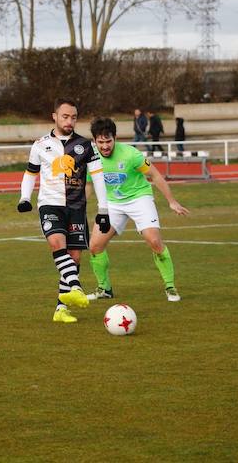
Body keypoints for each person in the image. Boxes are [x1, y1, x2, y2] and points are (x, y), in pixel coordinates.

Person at [16, 97, 111, 323]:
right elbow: (30, 173)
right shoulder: (40, 144)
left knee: (75, 257)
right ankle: (76, 288)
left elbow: (98, 178)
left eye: (74, 117)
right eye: (65, 116)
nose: (70, 121)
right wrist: (24, 198)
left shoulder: (86, 145)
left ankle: (61, 310)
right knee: (57, 243)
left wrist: (103, 210)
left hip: (77, 207)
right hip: (50, 204)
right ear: (55, 117)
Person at [86, 117, 190, 302]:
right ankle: (104, 289)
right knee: (94, 246)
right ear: (94, 141)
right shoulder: (90, 157)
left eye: (108, 141)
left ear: (115, 138)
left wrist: (171, 201)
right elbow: (88, 184)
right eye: (100, 142)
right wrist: (78, 207)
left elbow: (155, 175)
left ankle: (170, 287)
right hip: (111, 204)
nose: (105, 146)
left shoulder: (130, 154)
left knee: (154, 241)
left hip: (138, 198)